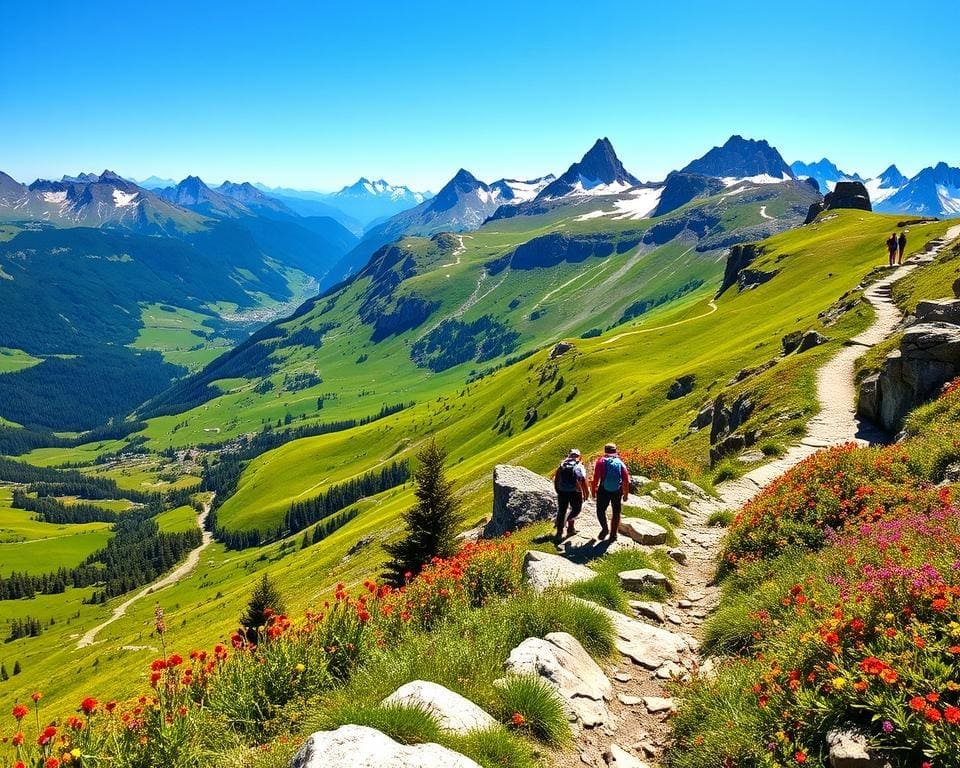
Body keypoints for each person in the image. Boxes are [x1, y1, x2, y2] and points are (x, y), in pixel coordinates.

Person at [590, 443, 630, 542]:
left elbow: (596, 478)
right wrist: (625, 494)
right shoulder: (620, 463)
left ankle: (604, 529)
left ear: (605, 451)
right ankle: (613, 535)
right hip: (617, 490)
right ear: (615, 451)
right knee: (616, 512)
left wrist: (594, 490)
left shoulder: (601, 461)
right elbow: (626, 480)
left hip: (603, 489)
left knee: (600, 510)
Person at [553, 448, 588, 540]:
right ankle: (570, 526)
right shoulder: (579, 465)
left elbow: (556, 478)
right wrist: (586, 493)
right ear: (579, 457)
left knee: (562, 511)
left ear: (569, 456)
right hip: (575, 492)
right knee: (576, 509)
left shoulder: (562, 465)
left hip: (562, 491)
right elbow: (583, 480)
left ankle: (559, 533)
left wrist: (558, 489)